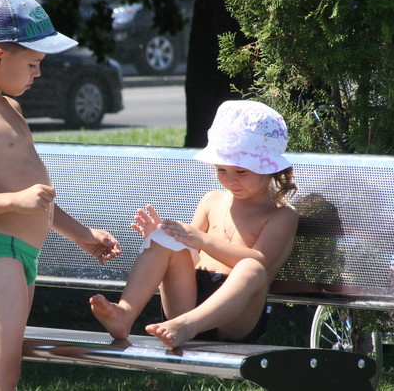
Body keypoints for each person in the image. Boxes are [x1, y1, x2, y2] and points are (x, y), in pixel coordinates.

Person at [0, 0, 123, 391]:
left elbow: (39, 200)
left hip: (21, 254)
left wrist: (82, 235)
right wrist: (14, 202)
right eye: (33, 64)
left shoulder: (10, 108)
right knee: (5, 370)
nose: (38, 73)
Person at [90, 100, 299, 350]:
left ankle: (186, 326)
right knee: (162, 241)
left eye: (241, 172)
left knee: (252, 269)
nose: (230, 180)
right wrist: (163, 237)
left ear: (270, 170)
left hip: (236, 311)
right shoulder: (212, 200)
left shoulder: (281, 215)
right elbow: (192, 258)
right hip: (188, 300)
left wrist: (201, 240)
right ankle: (125, 314)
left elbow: (261, 261)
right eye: (222, 170)